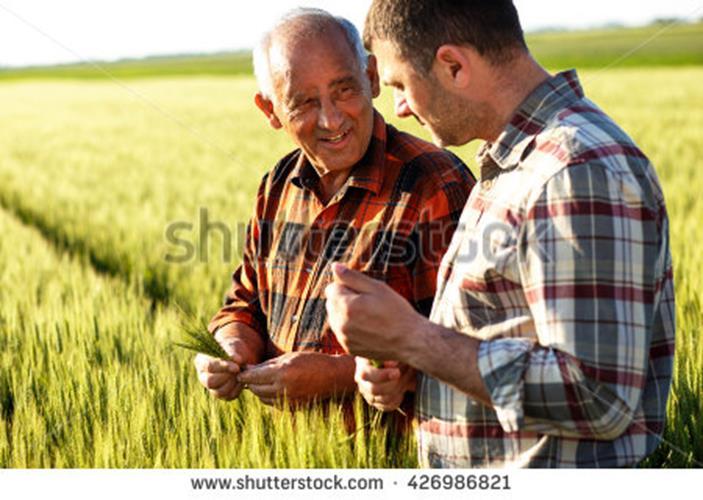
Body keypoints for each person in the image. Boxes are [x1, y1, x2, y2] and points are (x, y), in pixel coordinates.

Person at [326, 0, 675, 467]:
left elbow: (597, 396)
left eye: (400, 86)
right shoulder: (514, 161)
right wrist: (419, 368)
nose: (400, 109)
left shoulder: (574, 169)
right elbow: (511, 332)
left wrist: (414, 338)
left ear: (453, 65)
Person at [194, 8, 474, 415]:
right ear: (270, 111)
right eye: (305, 102)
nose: (331, 119)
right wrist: (231, 346)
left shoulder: (434, 184)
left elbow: (470, 350)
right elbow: (246, 301)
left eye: (344, 90)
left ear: (372, 78)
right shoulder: (277, 185)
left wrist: (335, 377)